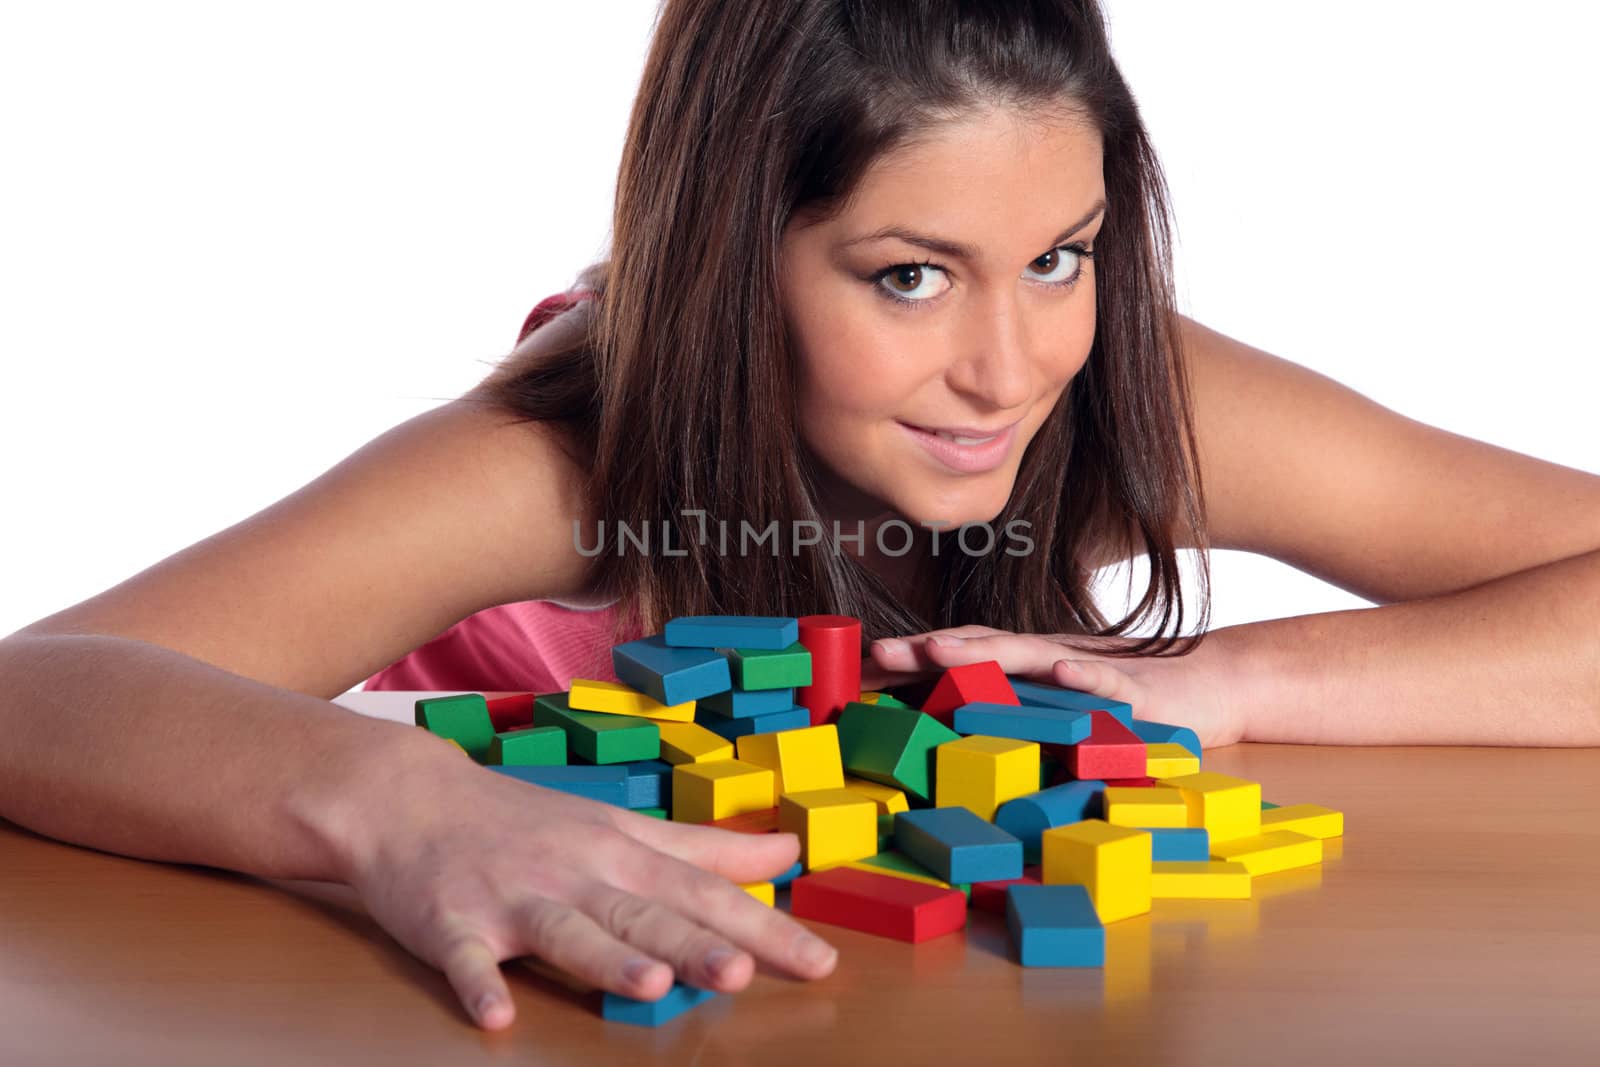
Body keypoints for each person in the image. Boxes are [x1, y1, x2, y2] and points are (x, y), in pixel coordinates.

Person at [2, 0, 1596, 1035]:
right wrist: (405, 805)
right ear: (731, 264)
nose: (1006, 369)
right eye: (907, 276)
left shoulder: (1112, 390)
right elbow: (39, 688)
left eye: (1061, 253)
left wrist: (1242, 679)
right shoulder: (568, 464)